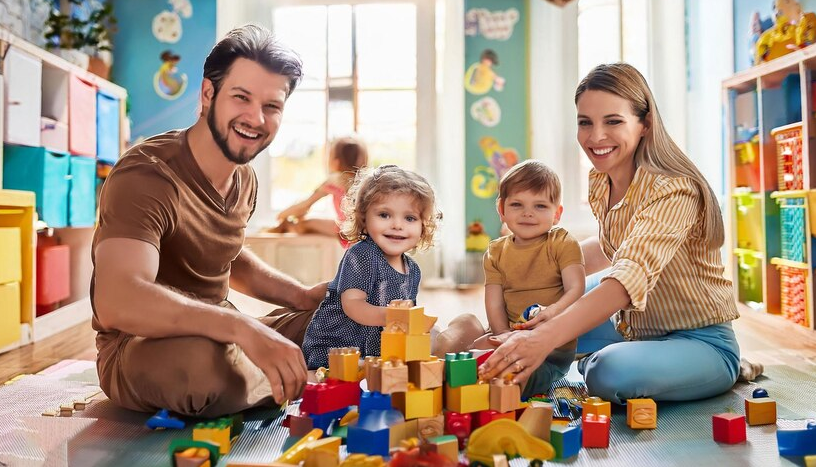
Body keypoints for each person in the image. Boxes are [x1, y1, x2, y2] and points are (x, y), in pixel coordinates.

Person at [92, 25, 327, 418]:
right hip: (142, 349)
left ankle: (286, 371)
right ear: (207, 94)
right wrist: (242, 330)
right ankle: (308, 376)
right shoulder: (147, 175)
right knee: (208, 369)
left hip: (222, 332)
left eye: (272, 106)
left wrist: (300, 297)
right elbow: (117, 300)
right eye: (241, 97)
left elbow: (226, 255)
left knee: (347, 317)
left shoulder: (243, 175)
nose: (256, 118)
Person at [480, 62, 749, 404]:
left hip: (700, 340)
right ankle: (583, 353)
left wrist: (548, 337)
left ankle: (611, 361)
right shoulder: (601, 181)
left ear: (644, 124)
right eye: (585, 123)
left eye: (613, 121)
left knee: (607, 374)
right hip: (633, 324)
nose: (595, 137)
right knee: (535, 311)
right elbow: (609, 250)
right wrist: (537, 266)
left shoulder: (674, 190)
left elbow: (628, 275)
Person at [434, 160, 585, 399]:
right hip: (504, 332)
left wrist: (553, 310)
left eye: (540, 206)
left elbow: (576, 289)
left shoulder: (562, 242)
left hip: (549, 350)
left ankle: (464, 380)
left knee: (508, 377)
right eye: (517, 204)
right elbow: (493, 303)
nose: (528, 213)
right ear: (501, 209)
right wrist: (503, 335)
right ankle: (432, 372)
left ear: (557, 214)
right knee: (464, 324)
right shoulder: (495, 251)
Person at [301, 165, 441, 369]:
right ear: (364, 219)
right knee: (335, 379)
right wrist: (395, 316)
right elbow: (353, 305)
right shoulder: (362, 254)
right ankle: (308, 381)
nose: (397, 225)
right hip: (337, 349)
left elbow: (404, 320)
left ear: (423, 227)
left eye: (409, 218)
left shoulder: (413, 270)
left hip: (376, 355)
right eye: (384, 215)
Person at [270, 136, 368, 243]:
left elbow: (306, 204)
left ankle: (287, 226)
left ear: (336, 163)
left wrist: (282, 214)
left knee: (303, 225)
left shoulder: (336, 180)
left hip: (349, 230)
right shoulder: (366, 181)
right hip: (365, 231)